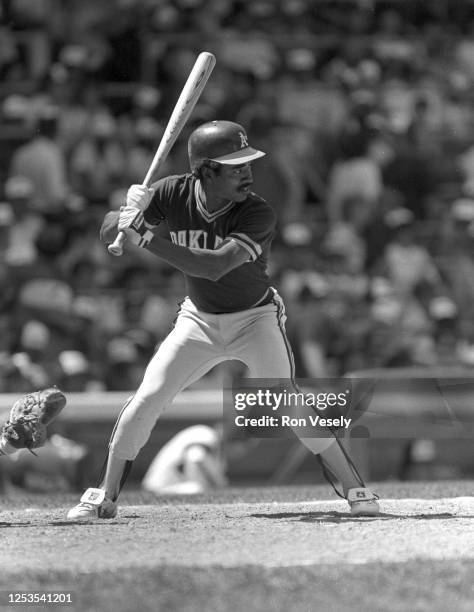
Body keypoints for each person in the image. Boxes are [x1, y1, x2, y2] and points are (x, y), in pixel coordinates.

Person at [66, 120, 380, 520]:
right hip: (198, 320)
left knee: (288, 402)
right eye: (234, 166)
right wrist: (123, 212)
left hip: (255, 319)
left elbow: (214, 267)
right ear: (204, 170)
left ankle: (356, 491)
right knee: (148, 397)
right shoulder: (171, 192)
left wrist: (145, 235)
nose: (247, 172)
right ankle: (103, 496)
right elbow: (109, 228)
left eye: (247, 163)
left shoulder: (257, 212)